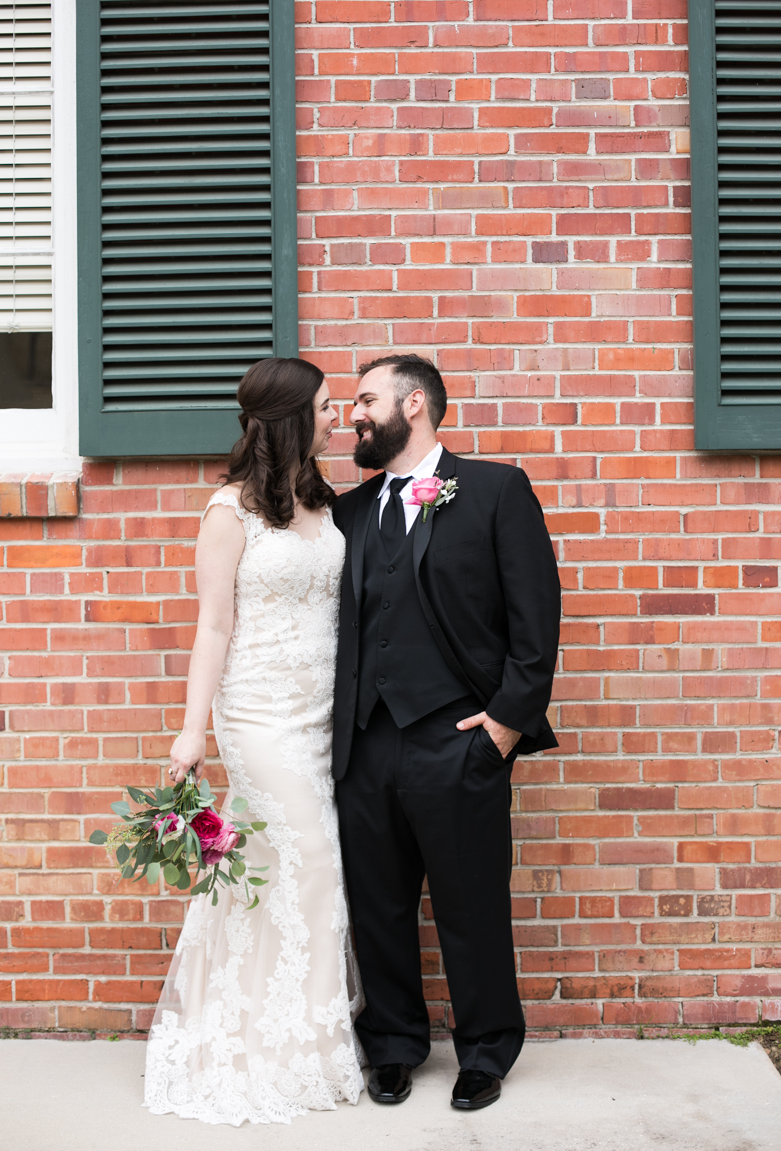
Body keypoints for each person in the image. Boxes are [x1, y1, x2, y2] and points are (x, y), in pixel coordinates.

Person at [332, 354, 561, 1111]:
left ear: (416, 403)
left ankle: (486, 1051)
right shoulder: (349, 513)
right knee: (379, 905)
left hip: (459, 739)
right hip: (368, 743)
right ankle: (393, 1045)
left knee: (470, 906)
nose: (354, 415)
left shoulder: (495, 490)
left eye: (365, 400)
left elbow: (536, 618)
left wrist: (503, 725)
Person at [144, 358, 364, 1127]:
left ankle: (300, 1032)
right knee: (307, 857)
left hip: (318, 717)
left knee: (295, 872)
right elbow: (213, 625)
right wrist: (190, 731)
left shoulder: (320, 501)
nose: (342, 419)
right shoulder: (227, 511)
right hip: (259, 715)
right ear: (292, 416)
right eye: (330, 408)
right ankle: (264, 1042)